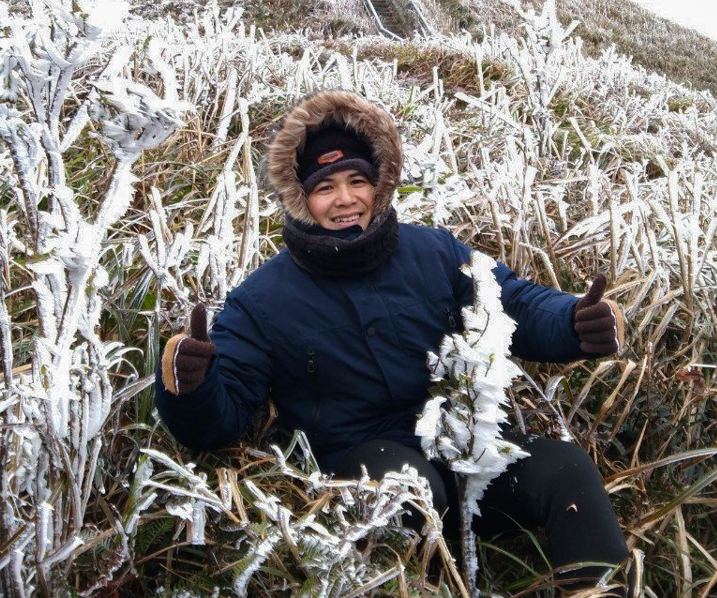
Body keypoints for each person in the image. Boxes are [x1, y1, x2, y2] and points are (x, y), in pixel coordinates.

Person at [156, 90, 630, 586]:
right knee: (412, 491)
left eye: (357, 180)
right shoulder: (261, 300)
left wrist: (575, 322)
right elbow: (220, 417)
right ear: (301, 198)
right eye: (325, 187)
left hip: (466, 445)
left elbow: (514, 303)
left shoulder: (435, 251)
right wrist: (191, 386)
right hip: (365, 461)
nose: (345, 199)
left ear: (378, 185)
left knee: (566, 470)